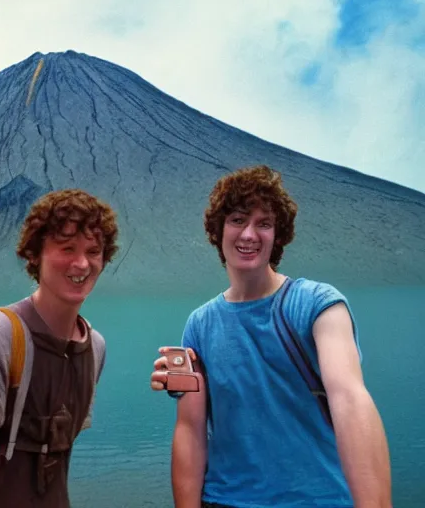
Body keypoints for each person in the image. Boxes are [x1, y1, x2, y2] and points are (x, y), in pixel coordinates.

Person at [151, 165, 392, 508]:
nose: (249, 234)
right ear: (218, 230)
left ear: (278, 236)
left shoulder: (318, 305)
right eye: (237, 220)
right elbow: (190, 430)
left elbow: (350, 398)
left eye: (263, 223)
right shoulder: (200, 325)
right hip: (224, 500)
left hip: (317, 500)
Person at [0, 188, 119, 508]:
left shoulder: (94, 348)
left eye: (93, 251)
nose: (82, 264)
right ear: (35, 254)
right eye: (67, 248)